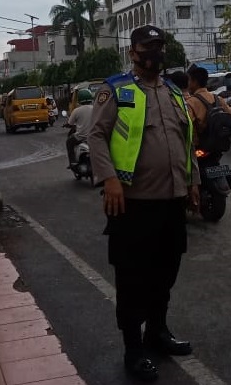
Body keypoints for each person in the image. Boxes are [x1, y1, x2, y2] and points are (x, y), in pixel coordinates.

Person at [89, 24, 200, 382]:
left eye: (160, 46)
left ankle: (157, 331)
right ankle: (133, 348)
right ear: (133, 52)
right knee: (133, 278)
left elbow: (185, 139)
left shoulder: (173, 92)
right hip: (133, 203)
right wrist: (109, 179)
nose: (156, 53)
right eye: (149, 47)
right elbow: (96, 135)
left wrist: (193, 181)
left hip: (171, 201)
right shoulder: (116, 90)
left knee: (166, 272)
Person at [186, 67, 231, 145]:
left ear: (195, 82)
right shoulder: (218, 98)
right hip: (219, 143)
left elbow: (189, 126)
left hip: (201, 144)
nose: (188, 84)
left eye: (189, 81)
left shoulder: (190, 102)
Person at [65, 89, 93, 168]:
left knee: (69, 142)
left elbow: (70, 123)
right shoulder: (96, 108)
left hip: (80, 137)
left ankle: (72, 162)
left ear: (79, 99)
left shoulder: (76, 111)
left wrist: (66, 125)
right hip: (93, 136)